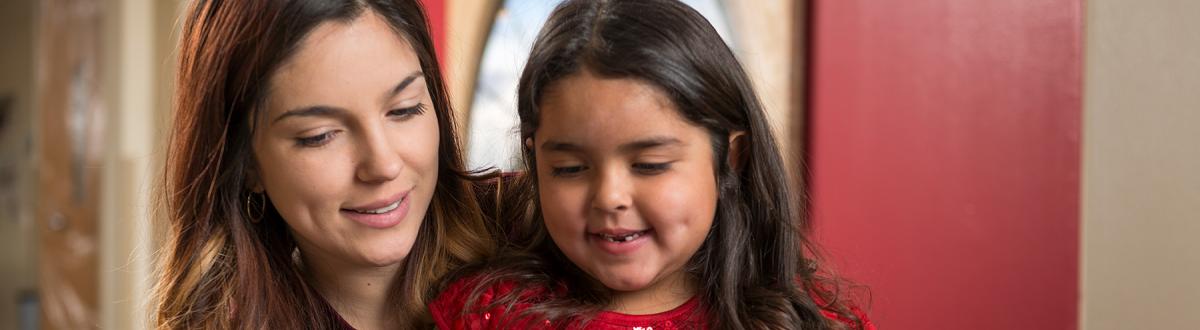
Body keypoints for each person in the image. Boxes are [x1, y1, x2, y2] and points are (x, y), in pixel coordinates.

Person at [431, 0, 873, 329]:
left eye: (650, 165)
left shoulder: (808, 321)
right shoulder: (485, 313)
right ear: (534, 161)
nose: (610, 198)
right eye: (569, 168)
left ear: (731, 159)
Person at [153, 1, 494, 328]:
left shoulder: (533, 223)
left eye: (404, 109)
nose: (384, 165)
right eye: (320, 136)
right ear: (246, 165)